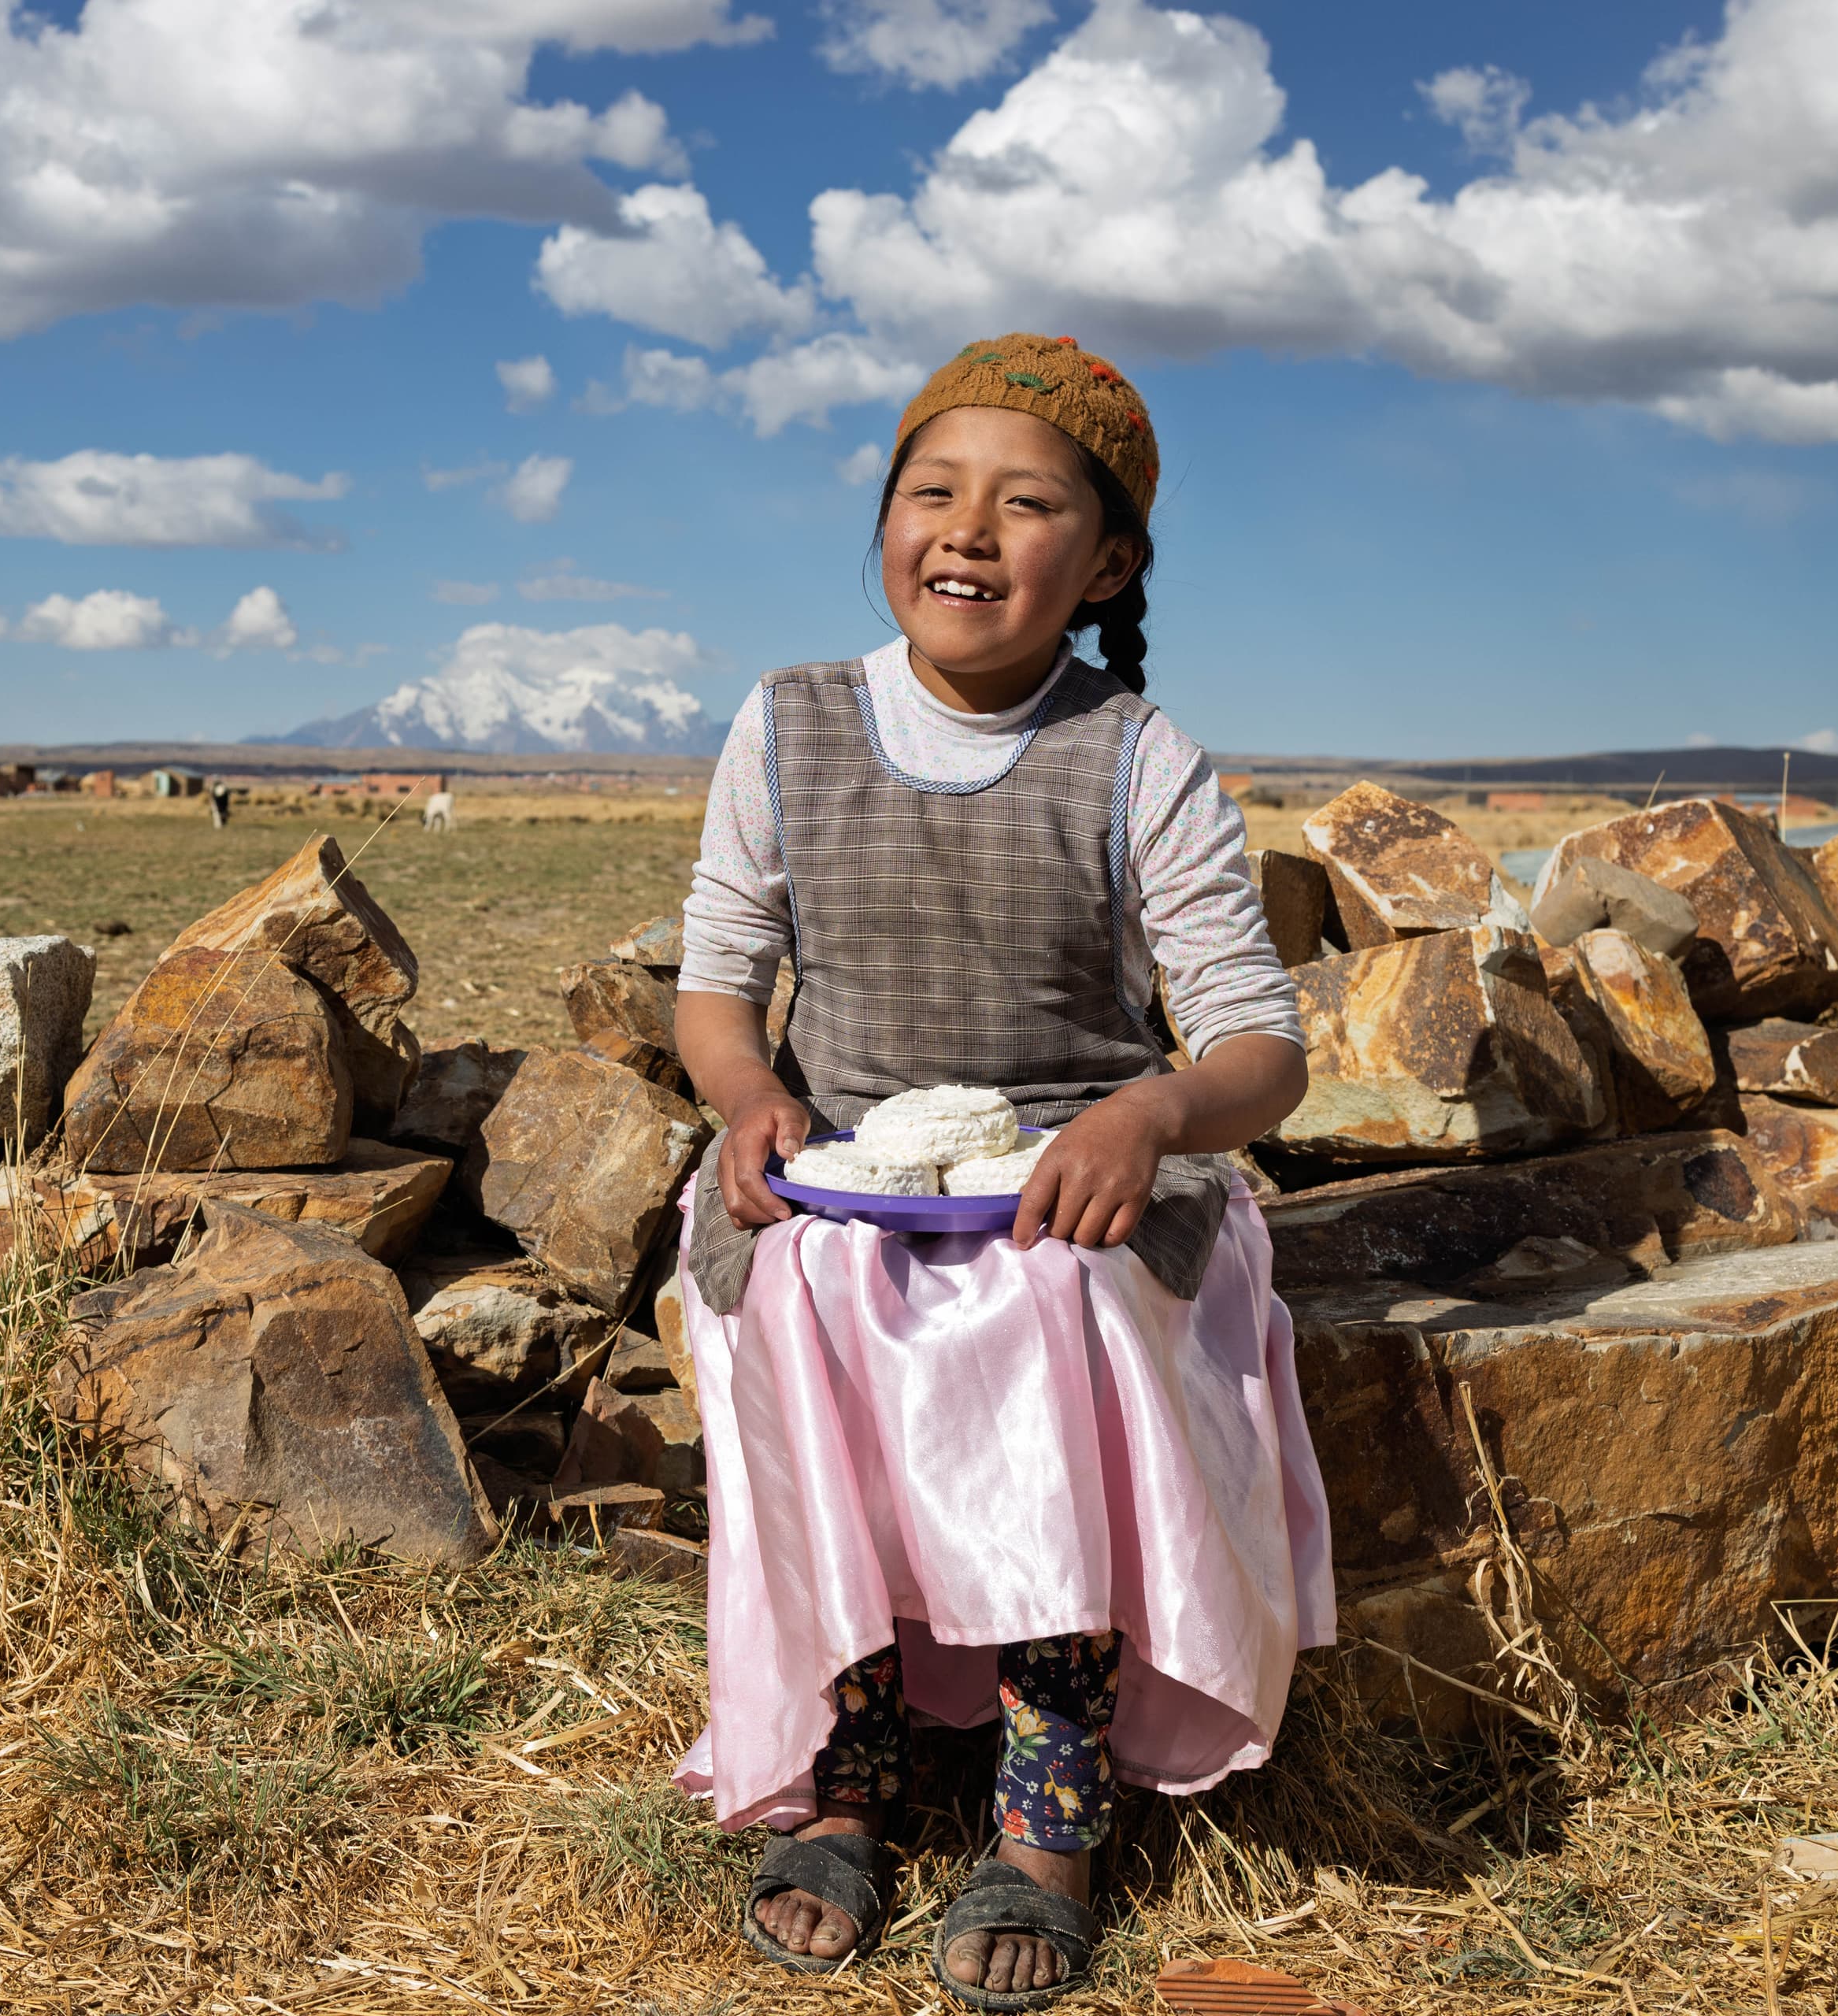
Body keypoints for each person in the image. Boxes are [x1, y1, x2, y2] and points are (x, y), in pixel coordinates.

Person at [671, 332, 1332, 2010]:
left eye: (1027, 502)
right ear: (884, 520)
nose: (967, 528)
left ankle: (1049, 1813)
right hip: (839, 1168)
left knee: (1049, 1300)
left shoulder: (1135, 755)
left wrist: (1150, 1118)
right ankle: (853, 1769)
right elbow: (721, 980)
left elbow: (1261, 1044)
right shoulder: (790, 720)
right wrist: (749, 1096)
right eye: (931, 489)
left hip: (1082, 1174)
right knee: (810, 1289)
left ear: (1105, 561)